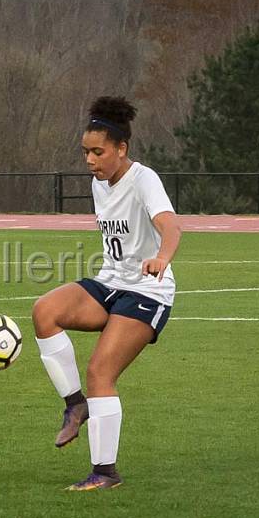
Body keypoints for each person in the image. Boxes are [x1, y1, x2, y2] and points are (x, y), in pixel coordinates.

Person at [32, 97, 182, 490]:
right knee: (44, 311)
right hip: (111, 282)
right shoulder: (99, 182)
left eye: (98, 152)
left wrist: (162, 257)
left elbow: (171, 226)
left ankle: (105, 473)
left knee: (101, 371)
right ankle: (74, 405)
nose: (90, 160)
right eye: (85, 152)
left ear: (122, 149)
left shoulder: (144, 179)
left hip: (148, 291)